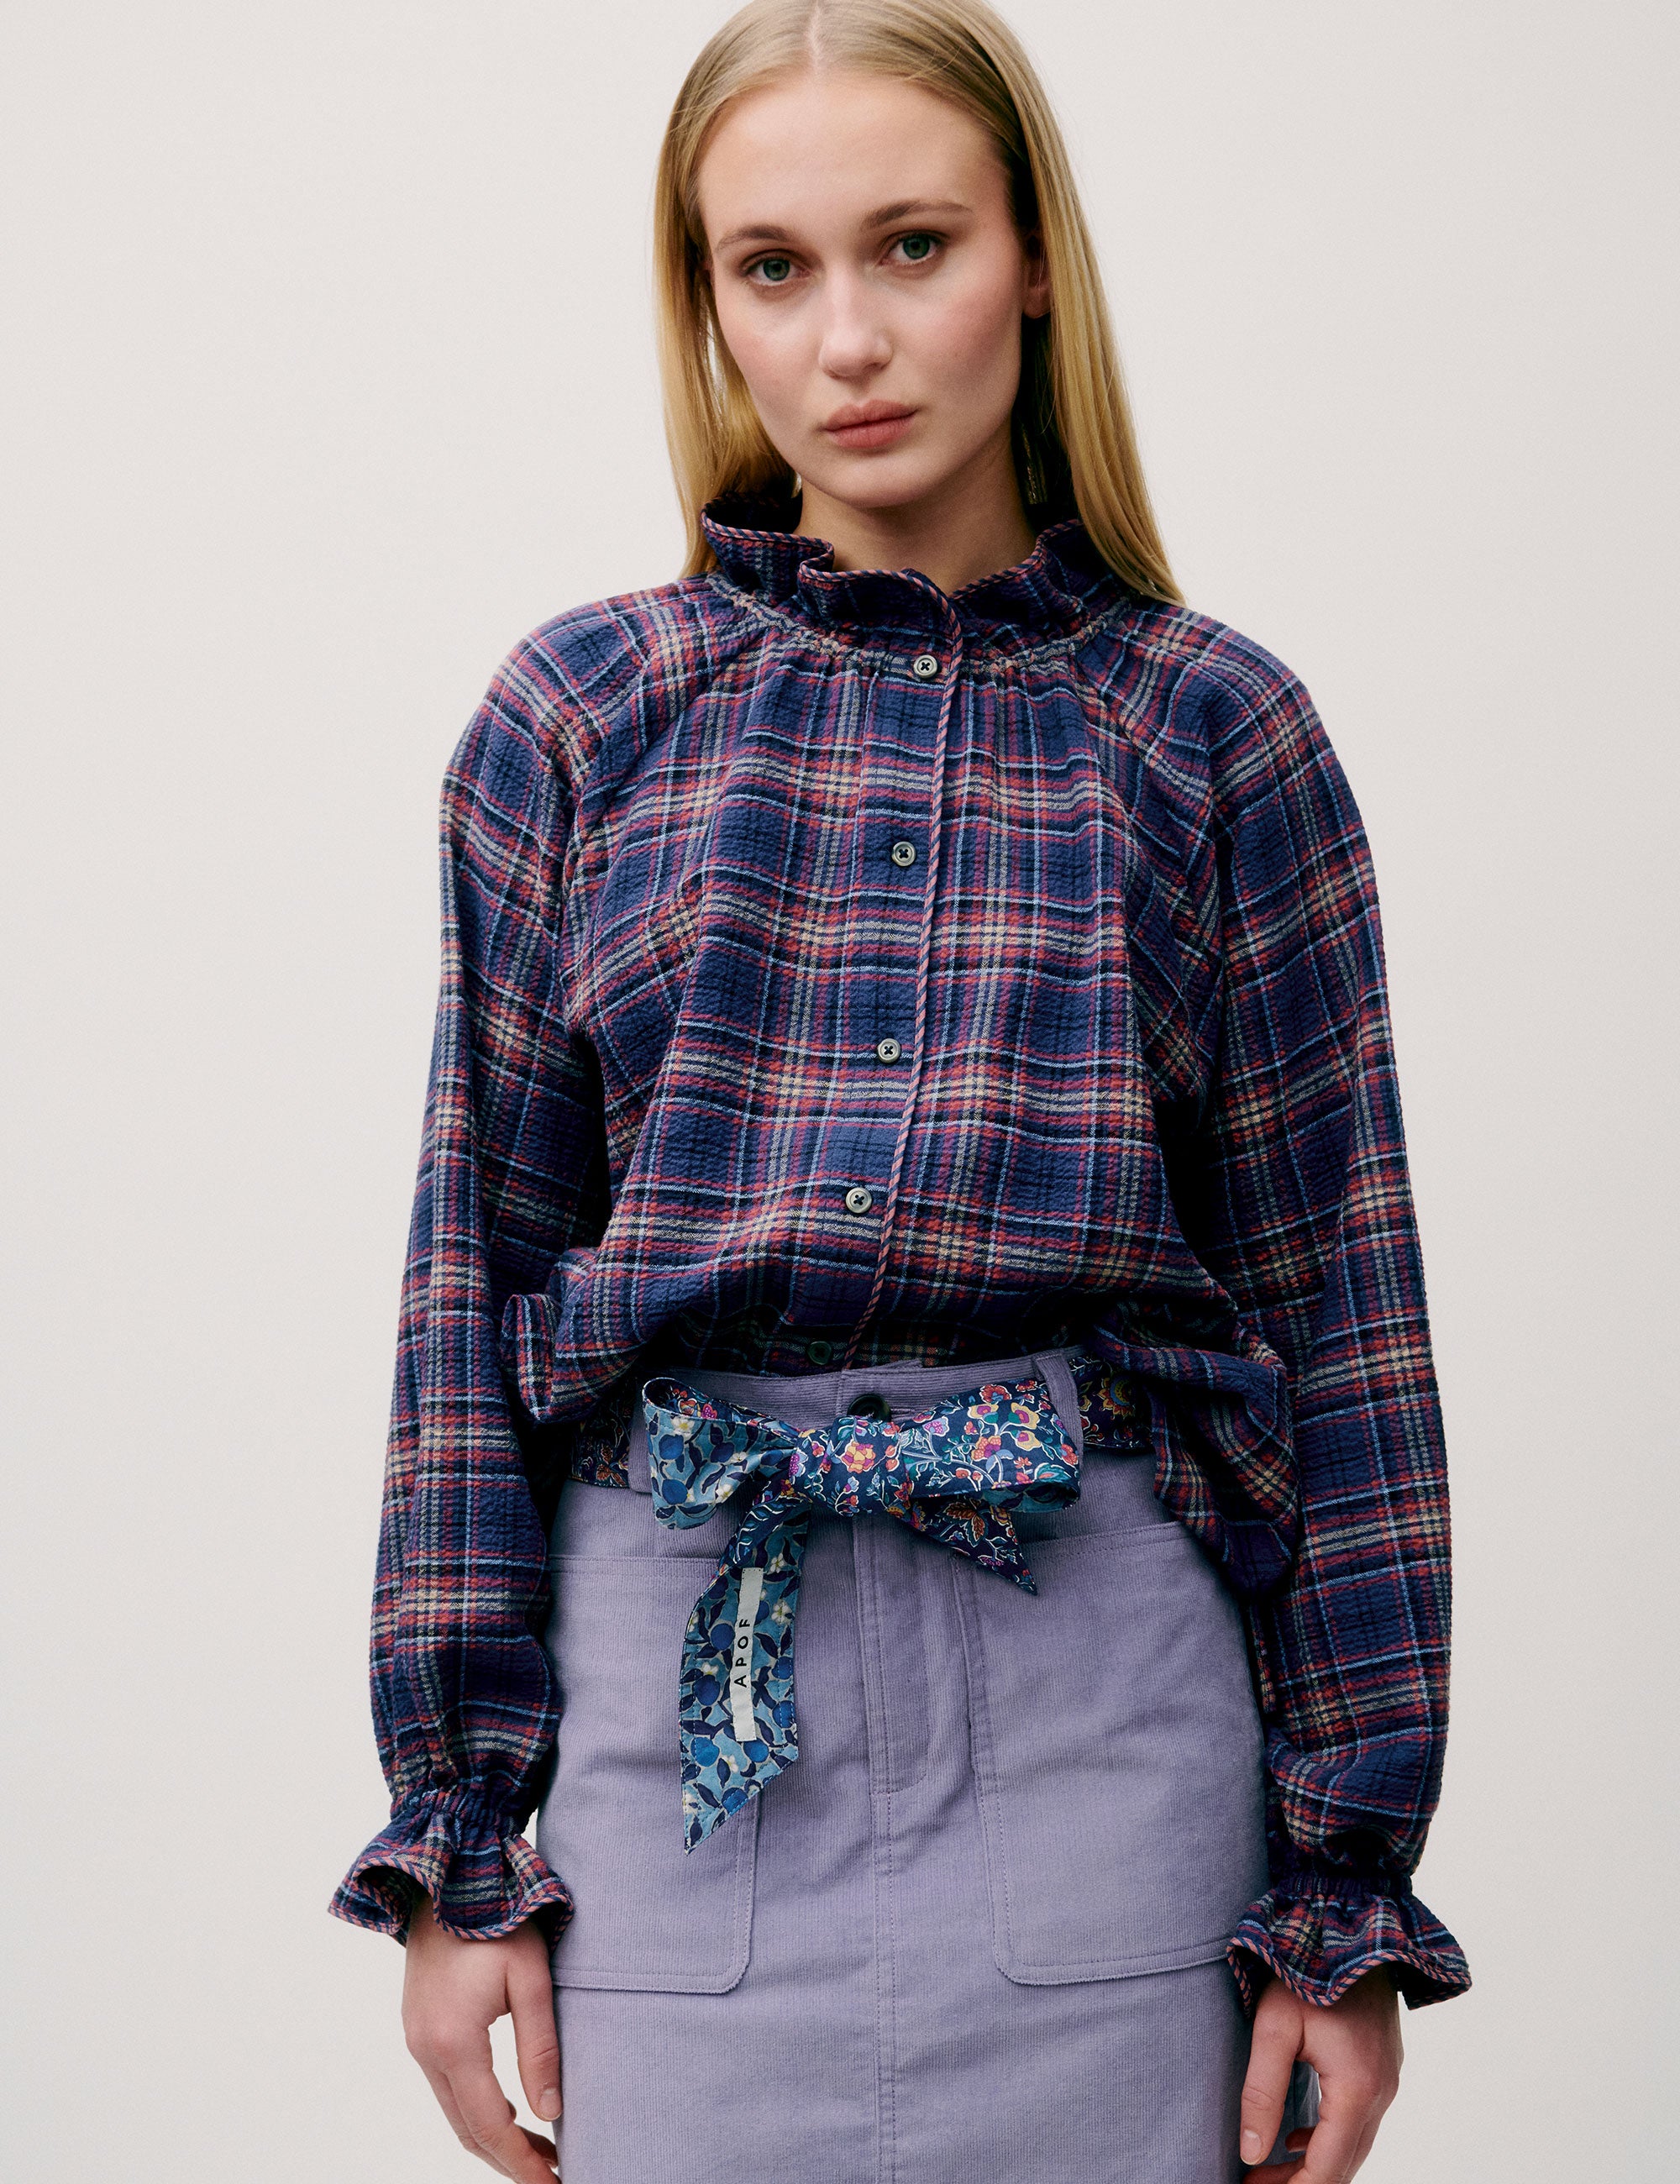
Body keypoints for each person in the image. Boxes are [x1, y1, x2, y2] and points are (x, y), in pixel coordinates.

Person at [329, 3, 1470, 2179]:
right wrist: (461, 1845)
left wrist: (1340, 1894)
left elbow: (1346, 1328)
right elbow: (469, 1303)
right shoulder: (577, 723)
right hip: (685, 1717)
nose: (847, 335)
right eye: (771, 267)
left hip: (1103, 1709)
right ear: (708, 306)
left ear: (1036, 257)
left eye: (913, 244)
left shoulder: (1217, 737)